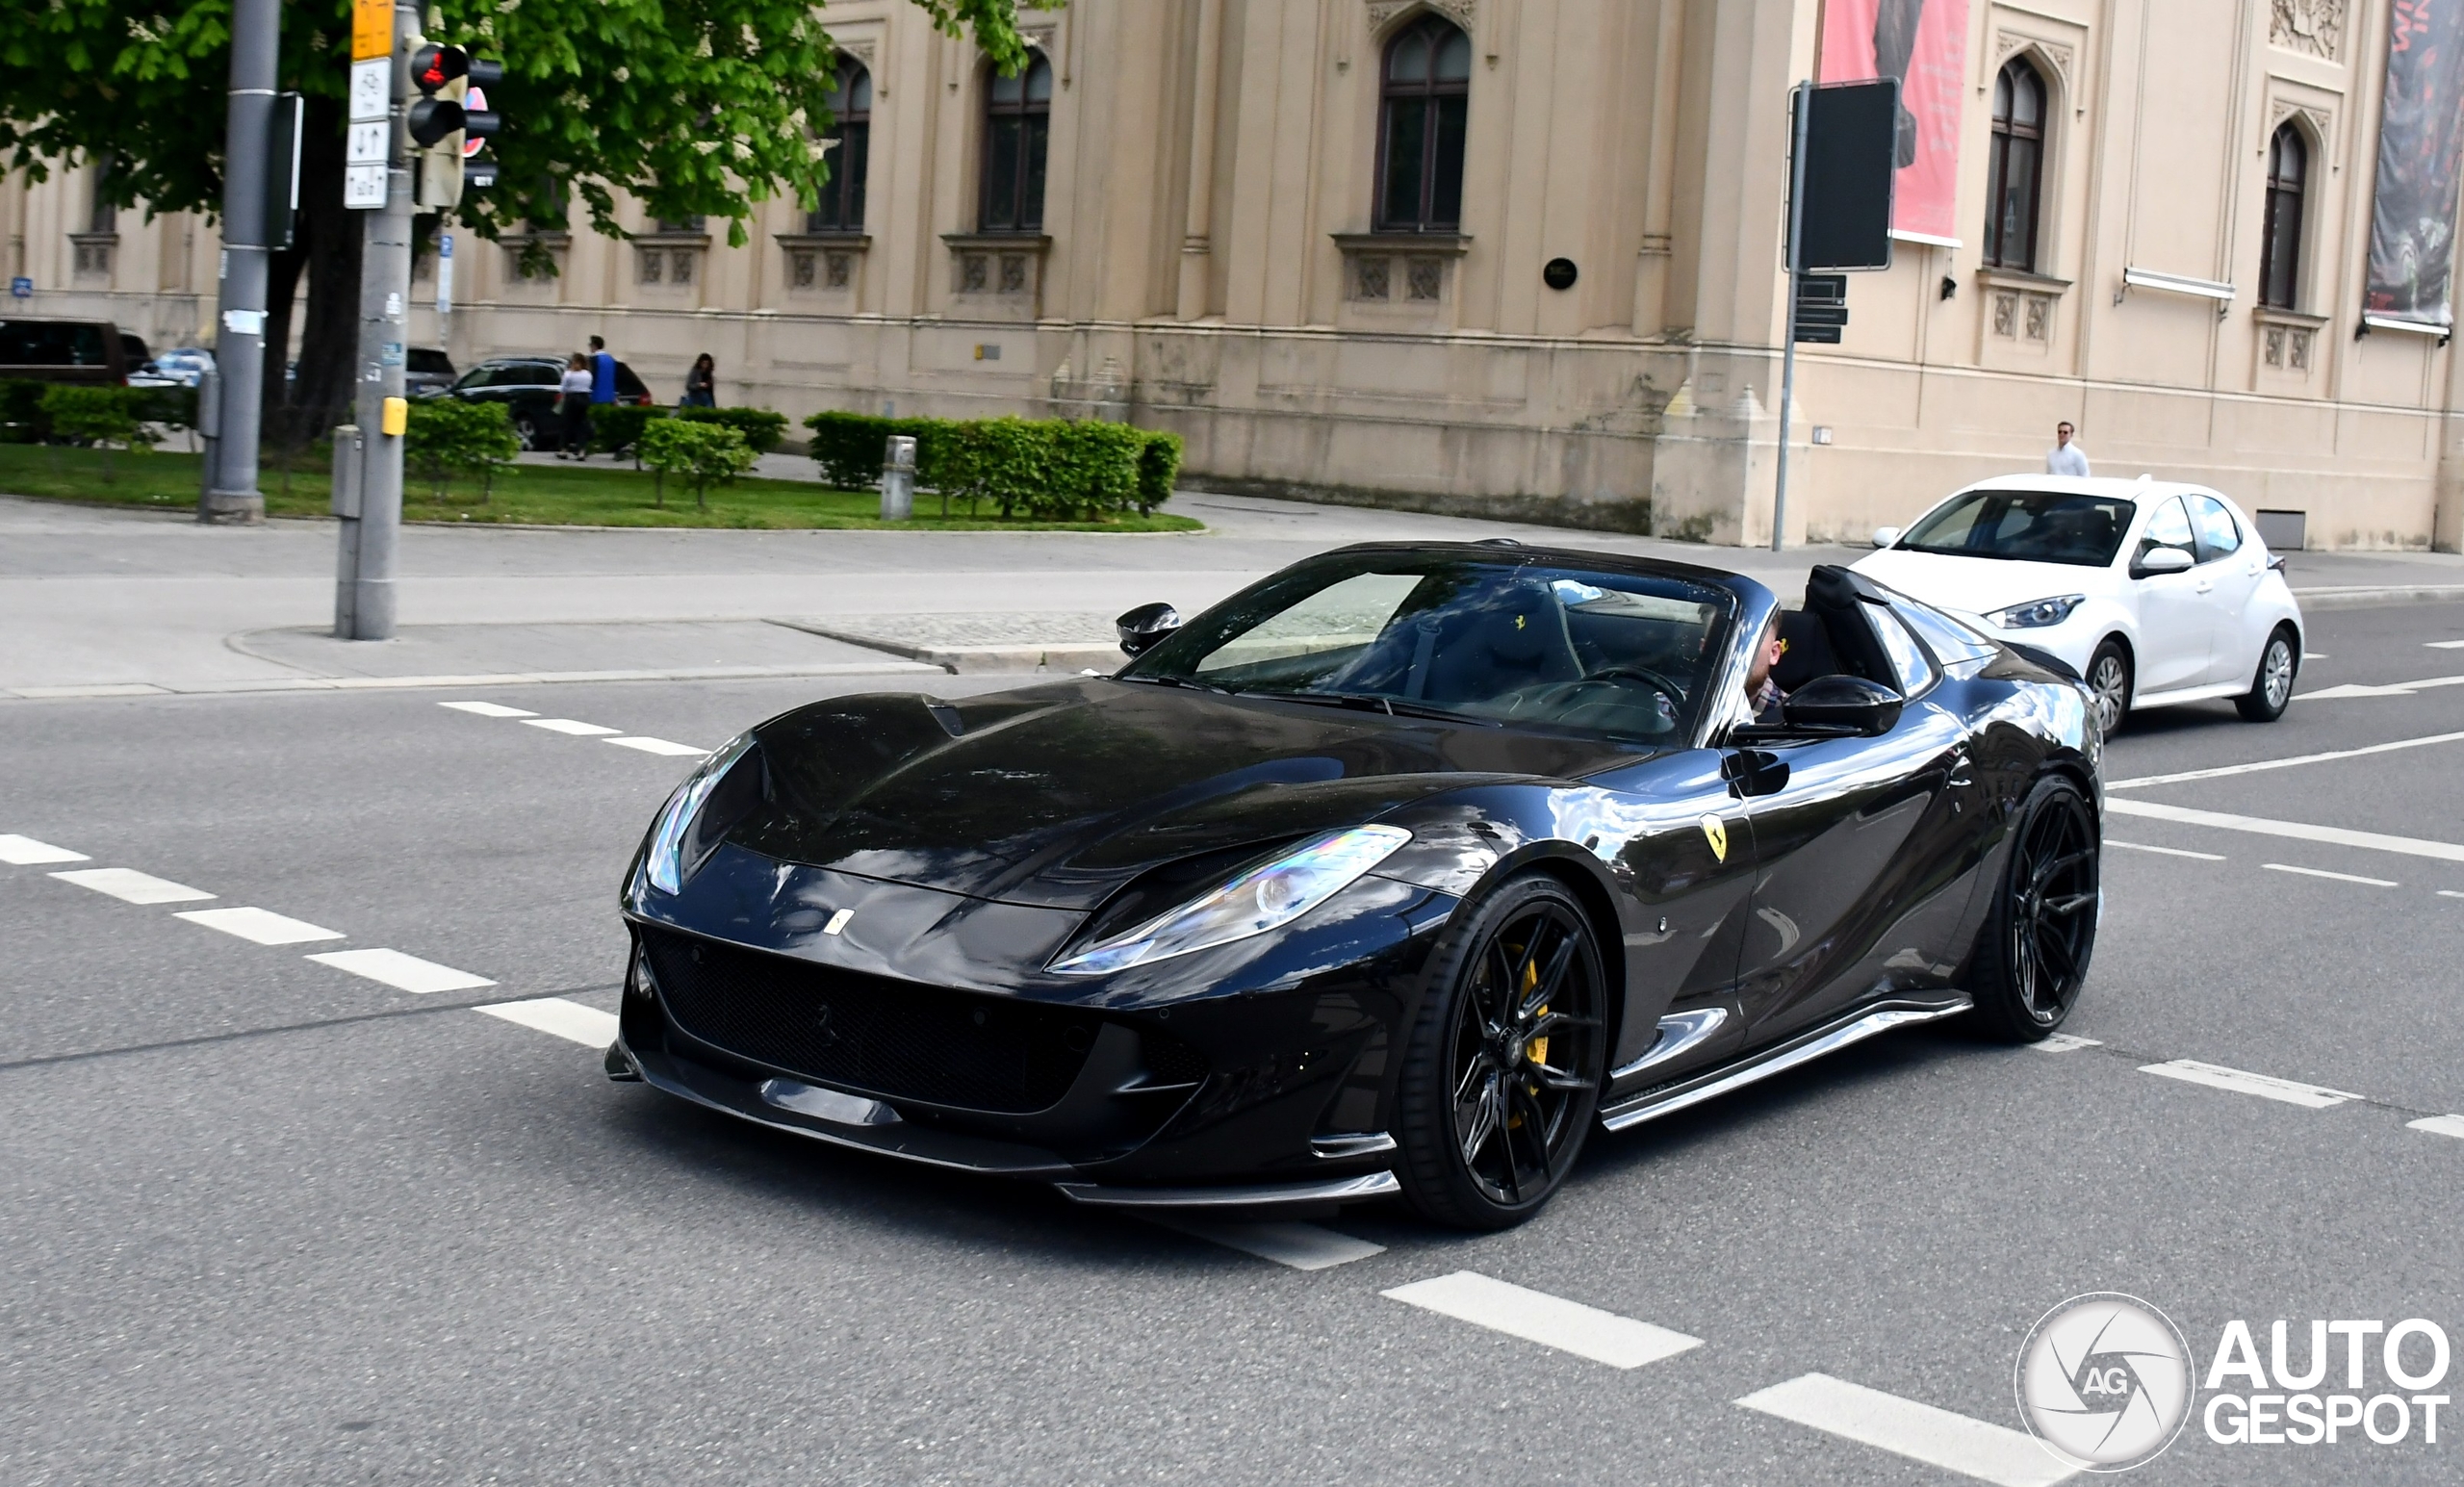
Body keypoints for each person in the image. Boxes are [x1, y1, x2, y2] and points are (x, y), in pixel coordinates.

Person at [1745, 612, 1788, 724]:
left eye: (1748, 639)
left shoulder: (1796, 721)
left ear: (1774, 652)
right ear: (1703, 647)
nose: (1734, 650)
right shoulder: (1694, 707)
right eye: (1720, 639)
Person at [555, 352, 594, 459]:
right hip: (585, 398)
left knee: (566, 424)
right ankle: (581, 450)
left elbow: (563, 388)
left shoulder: (569, 374)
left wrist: (570, 372)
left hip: (572, 398)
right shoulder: (588, 374)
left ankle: (563, 449)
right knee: (582, 425)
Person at [588, 335, 617, 408]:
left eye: (590, 345)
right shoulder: (610, 359)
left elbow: (591, 377)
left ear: (594, 346)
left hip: (595, 396)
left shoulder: (593, 359)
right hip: (609, 396)